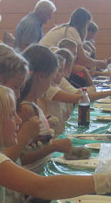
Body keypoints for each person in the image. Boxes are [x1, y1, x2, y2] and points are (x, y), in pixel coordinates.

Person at [18, 44, 73, 173]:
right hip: (34, 174)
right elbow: (20, 159)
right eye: (51, 78)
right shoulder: (26, 109)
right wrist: (53, 147)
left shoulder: (34, 104)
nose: (50, 84)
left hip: (43, 168)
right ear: (41, 77)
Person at [39, 8, 107, 70]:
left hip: (43, 60)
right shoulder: (72, 31)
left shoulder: (63, 28)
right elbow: (82, 60)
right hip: (45, 63)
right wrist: (99, 63)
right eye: (87, 25)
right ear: (84, 24)